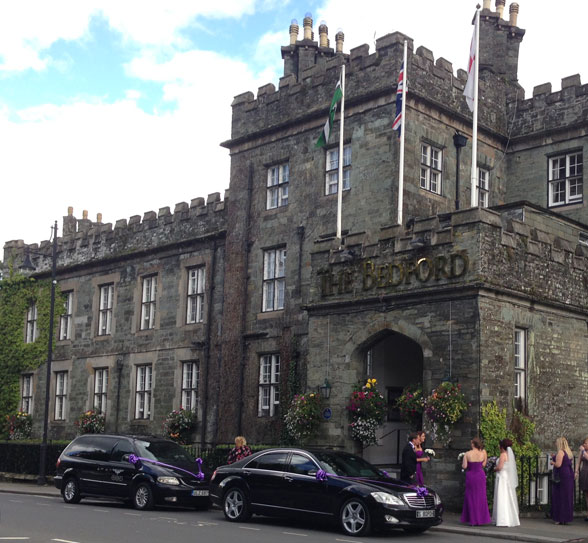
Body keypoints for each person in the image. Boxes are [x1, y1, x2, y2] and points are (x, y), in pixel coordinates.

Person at [460, 437, 492, 526]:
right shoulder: (483, 452)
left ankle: (473, 519)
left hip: (471, 476)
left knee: (471, 497)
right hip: (480, 475)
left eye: (471, 443)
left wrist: (463, 461)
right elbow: (484, 464)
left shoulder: (467, 454)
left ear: (473, 444)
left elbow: (464, 466)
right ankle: (481, 519)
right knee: (481, 496)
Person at [492, 438, 520, 527]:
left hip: (502, 478)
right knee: (507, 497)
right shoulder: (509, 455)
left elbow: (499, 467)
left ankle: (502, 519)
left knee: (502, 497)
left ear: (502, 447)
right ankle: (509, 518)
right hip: (506, 477)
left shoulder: (503, 455)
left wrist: (493, 468)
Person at [551, 436, 574, 525]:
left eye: (557, 442)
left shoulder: (560, 452)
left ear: (559, 443)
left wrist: (552, 462)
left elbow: (558, 464)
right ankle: (566, 518)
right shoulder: (568, 452)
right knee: (567, 497)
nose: (556, 444)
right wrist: (555, 457)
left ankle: (560, 517)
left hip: (562, 476)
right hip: (568, 475)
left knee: (559, 496)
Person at [575, 436, 588, 522]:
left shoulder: (584, 451)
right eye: (584, 443)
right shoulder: (582, 452)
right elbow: (578, 461)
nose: (584, 444)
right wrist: (576, 471)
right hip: (585, 472)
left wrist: (583, 451)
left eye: (586, 443)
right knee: (587, 494)